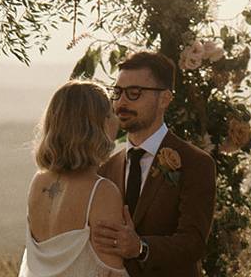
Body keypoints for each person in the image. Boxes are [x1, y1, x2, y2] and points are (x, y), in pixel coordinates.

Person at [92, 52, 217, 277]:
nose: (121, 103)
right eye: (118, 93)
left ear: (165, 99)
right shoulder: (106, 168)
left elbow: (193, 243)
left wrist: (140, 248)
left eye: (134, 93)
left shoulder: (196, 164)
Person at [19, 80, 130, 277]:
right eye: (110, 113)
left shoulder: (38, 182)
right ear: (99, 125)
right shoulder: (101, 192)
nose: (116, 120)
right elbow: (111, 273)